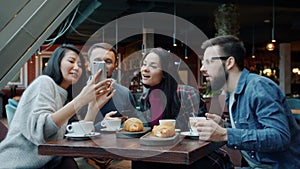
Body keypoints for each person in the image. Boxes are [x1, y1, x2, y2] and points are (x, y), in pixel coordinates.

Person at [0, 44, 115, 169]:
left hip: (48, 162)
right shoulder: (44, 82)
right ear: (57, 62)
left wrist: (94, 106)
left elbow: (77, 136)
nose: (76, 68)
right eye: (71, 61)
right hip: (18, 163)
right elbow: (42, 130)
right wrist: (81, 100)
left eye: (80, 65)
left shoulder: (65, 96)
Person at [198, 35, 300, 169]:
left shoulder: (258, 87)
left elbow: (279, 137)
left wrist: (224, 134)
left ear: (229, 62)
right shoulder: (231, 93)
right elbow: (253, 127)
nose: (202, 68)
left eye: (209, 62)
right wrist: (224, 126)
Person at [132, 47, 233, 169]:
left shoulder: (186, 93)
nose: (145, 69)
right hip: (159, 155)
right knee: (138, 161)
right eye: (144, 64)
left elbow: (200, 132)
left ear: (165, 72)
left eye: (153, 66)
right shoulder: (145, 98)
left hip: (192, 155)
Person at [83, 43, 136, 131]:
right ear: (88, 65)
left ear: (115, 66)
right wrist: (102, 125)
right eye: (97, 61)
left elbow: (134, 123)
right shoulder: (78, 94)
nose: (102, 66)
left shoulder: (125, 93)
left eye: (108, 62)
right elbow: (72, 130)